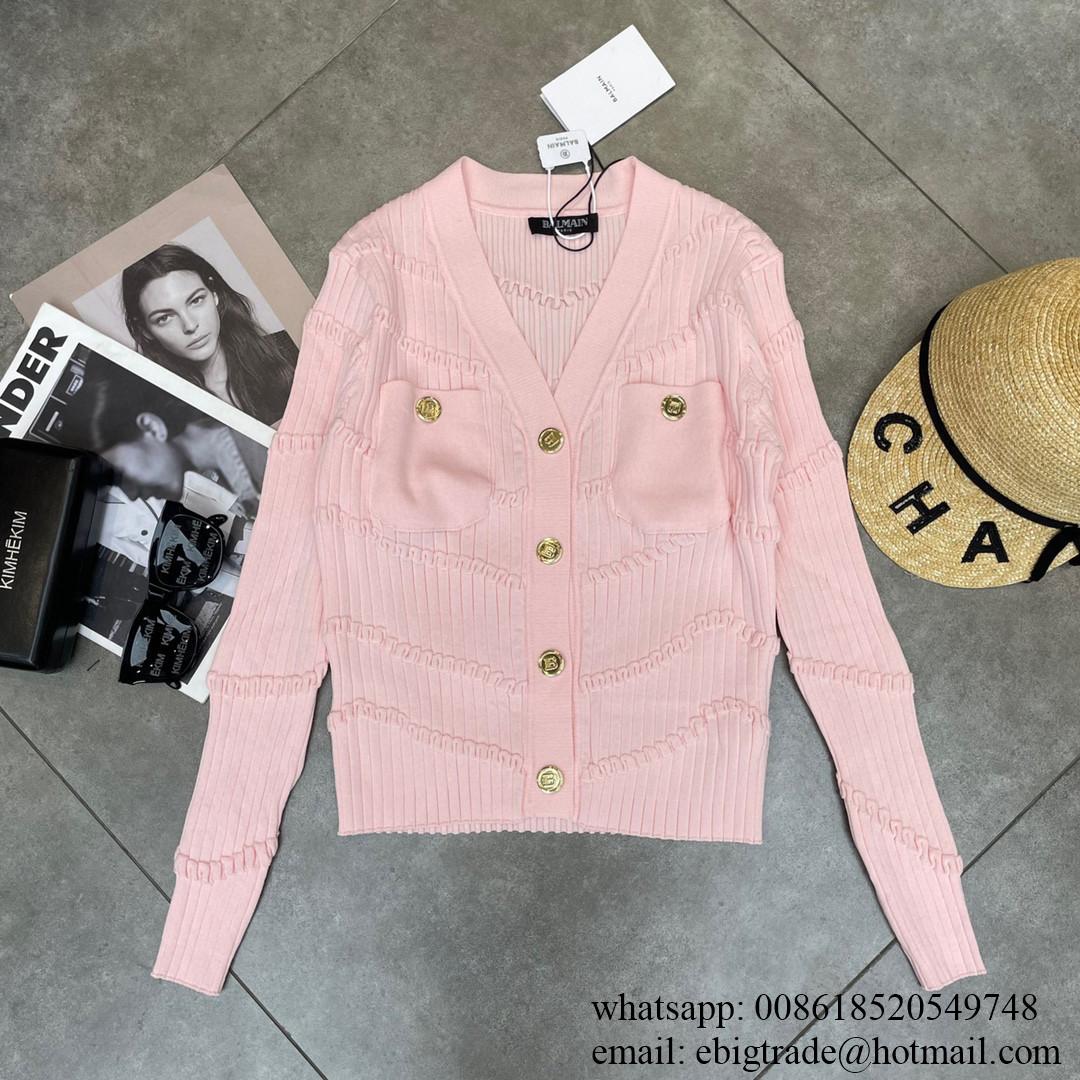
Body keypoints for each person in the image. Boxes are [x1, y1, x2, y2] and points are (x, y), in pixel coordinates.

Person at [120, 243, 298, 426]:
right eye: (164, 318)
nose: (190, 325)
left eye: (196, 300)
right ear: (145, 330)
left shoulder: (292, 350)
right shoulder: (164, 417)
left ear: (214, 294)